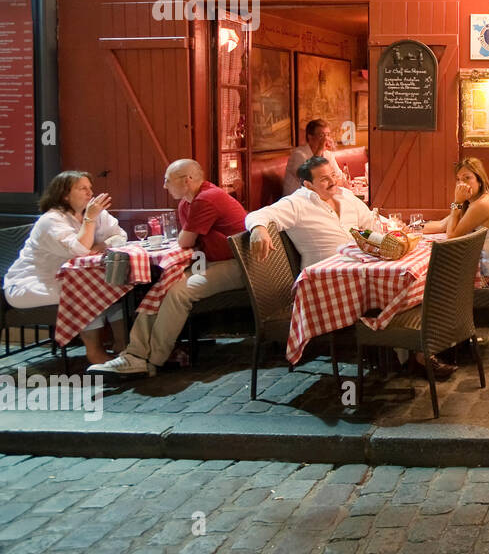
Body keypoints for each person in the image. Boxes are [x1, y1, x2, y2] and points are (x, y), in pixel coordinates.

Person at [89, 160, 247, 378]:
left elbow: (185, 241)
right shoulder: (187, 203)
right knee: (162, 289)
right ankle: (135, 355)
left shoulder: (206, 199)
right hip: (212, 261)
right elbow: (187, 241)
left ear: (187, 180)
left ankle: (152, 360)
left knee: (178, 293)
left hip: (242, 265)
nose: (164, 186)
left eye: (167, 180)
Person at [3, 171, 126, 365]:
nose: (90, 193)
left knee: (115, 284)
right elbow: (79, 250)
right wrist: (90, 220)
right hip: (32, 282)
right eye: (82, 188)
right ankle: (94, 351)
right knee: (84, 291)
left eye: (90, 188)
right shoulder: (52, 220)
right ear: (64, 195)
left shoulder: (93, 211)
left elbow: (120, 236)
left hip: (69, 278)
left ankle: (123, 345)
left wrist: (100, 245)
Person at [248, 155, 378, 269]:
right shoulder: (298, 203)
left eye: (333, 175)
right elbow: (258, 215)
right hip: (323, 277)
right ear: (308, 185)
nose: (333, 181)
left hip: (359, 266)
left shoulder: (346, 195)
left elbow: (370, 225)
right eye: (324, 179)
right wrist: (259, 229)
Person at [423, 157, 489, 288]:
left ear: (479, 181)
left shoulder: (483, 204)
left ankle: (445, 308)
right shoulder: (473, 202)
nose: (461, 184)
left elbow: (451, 236)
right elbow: (442, 225)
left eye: (467, 178)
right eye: (458, 180)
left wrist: (457, 203)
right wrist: (410, 228)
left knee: (438, 278)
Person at [283, 119, 342, 195]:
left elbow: (339, 176)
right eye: (321, 136)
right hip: (298, 199)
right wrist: (319, 149)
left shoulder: (328, 154)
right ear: (310, 137)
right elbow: (308, 178)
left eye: (327, 135)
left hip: (319, 196)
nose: (326, 139)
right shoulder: (298, 154)